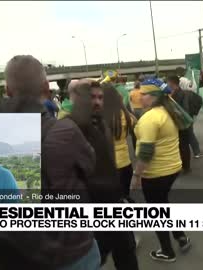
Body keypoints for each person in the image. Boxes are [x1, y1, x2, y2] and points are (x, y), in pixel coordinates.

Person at [0, 55, 100, 270]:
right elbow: (91, 169)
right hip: (71, 250)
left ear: (8, 90)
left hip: (17, 252)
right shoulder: (65, 131)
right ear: (46, 87)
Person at [68, 80, 139, 270]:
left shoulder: (101, 122)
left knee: (123, 244)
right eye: (93, 97)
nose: (98, 102)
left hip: (110, 182)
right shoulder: (124, 114)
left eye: (100, 97)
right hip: (120, 171)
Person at [131, 78, 191, 263]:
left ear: (154, 96)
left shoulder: (150, 118)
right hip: (172, 168)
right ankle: (180, 236)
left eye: (144, 94)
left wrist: (136, 175)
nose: (139, 97)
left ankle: (167, 251)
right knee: (163, 203)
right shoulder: (167, 111)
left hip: (156, 172)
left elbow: (146, 152)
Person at [102, 83, 137, 200]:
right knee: (124, 195)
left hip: (108, 167)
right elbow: (135, 121)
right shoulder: (125, 115)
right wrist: (122, 105)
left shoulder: (100, 117)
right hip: (126, 163)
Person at [167, 75, 192, 172]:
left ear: (172, 83)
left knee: (183, 145)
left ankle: (186, 166)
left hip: (182, 124)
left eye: (168, 82)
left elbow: (185, 109)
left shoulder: (181, 94)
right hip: (178, 123)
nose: (167, 84)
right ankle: (183, 165)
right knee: (180, 145)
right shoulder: (174, 93)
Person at [178, 76, 203, 159]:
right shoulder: (191, 93)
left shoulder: (181, 94)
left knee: (187, 135)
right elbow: (199, 100)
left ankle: (195, 152)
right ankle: (196, 152)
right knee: (190, 134)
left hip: (183, 117)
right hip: (190, 117)